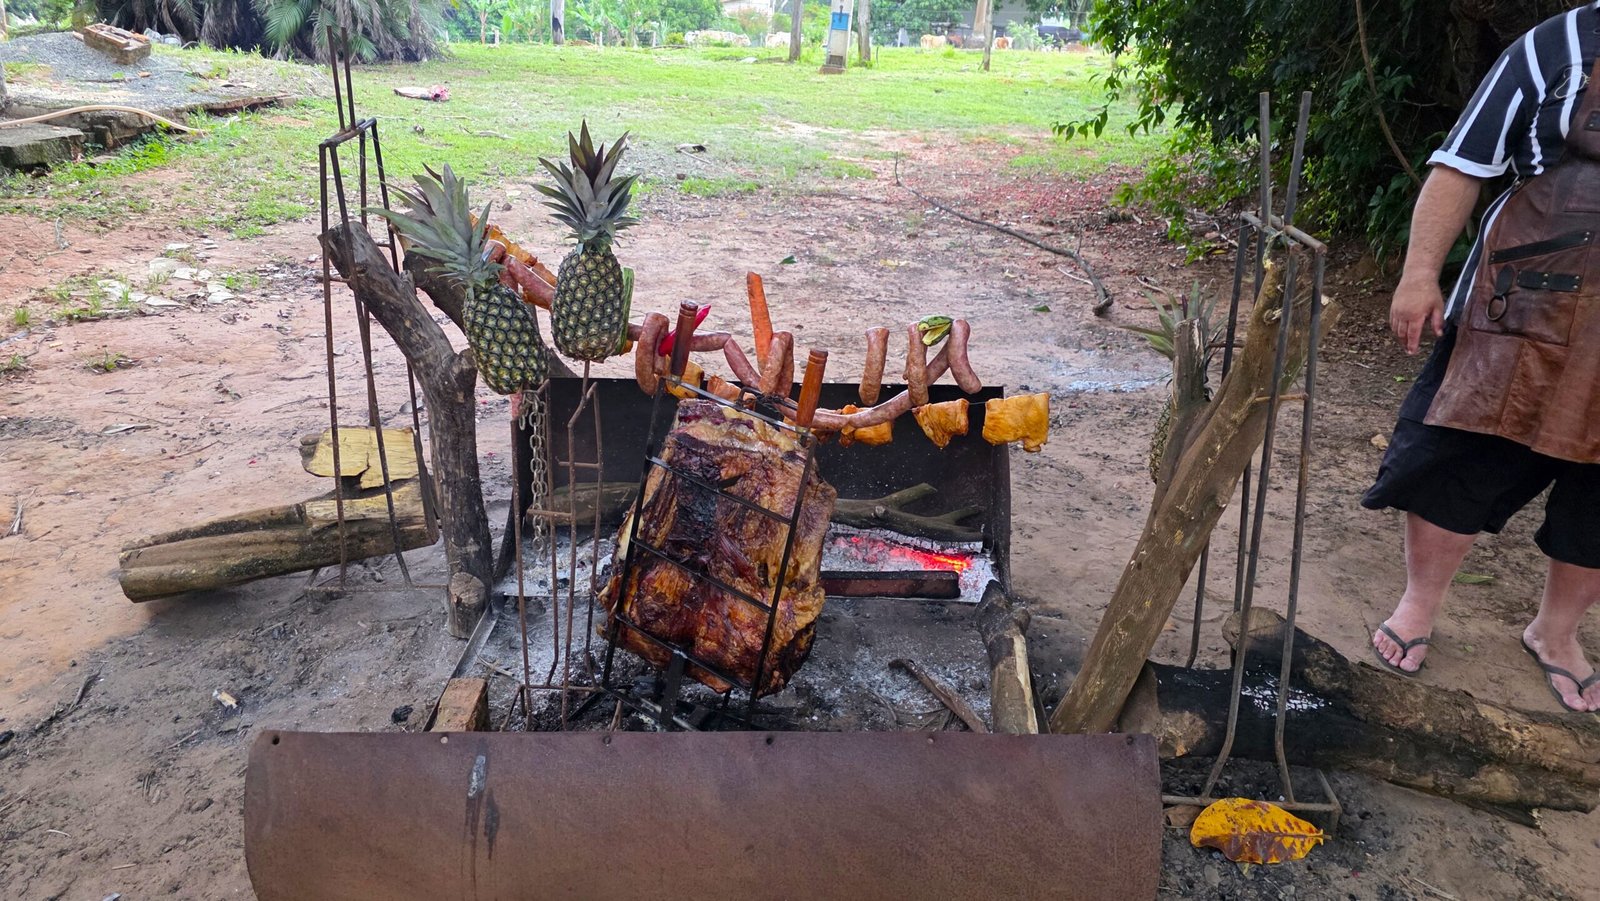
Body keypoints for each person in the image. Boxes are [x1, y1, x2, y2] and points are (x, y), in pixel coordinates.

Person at [1363, 1, 1600, 713]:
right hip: (1522, 303)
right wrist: (1418, 274)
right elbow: (1462, 164)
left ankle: (1556, 633)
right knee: (1460, 455)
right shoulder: (1554, 45)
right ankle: (1418, 606)